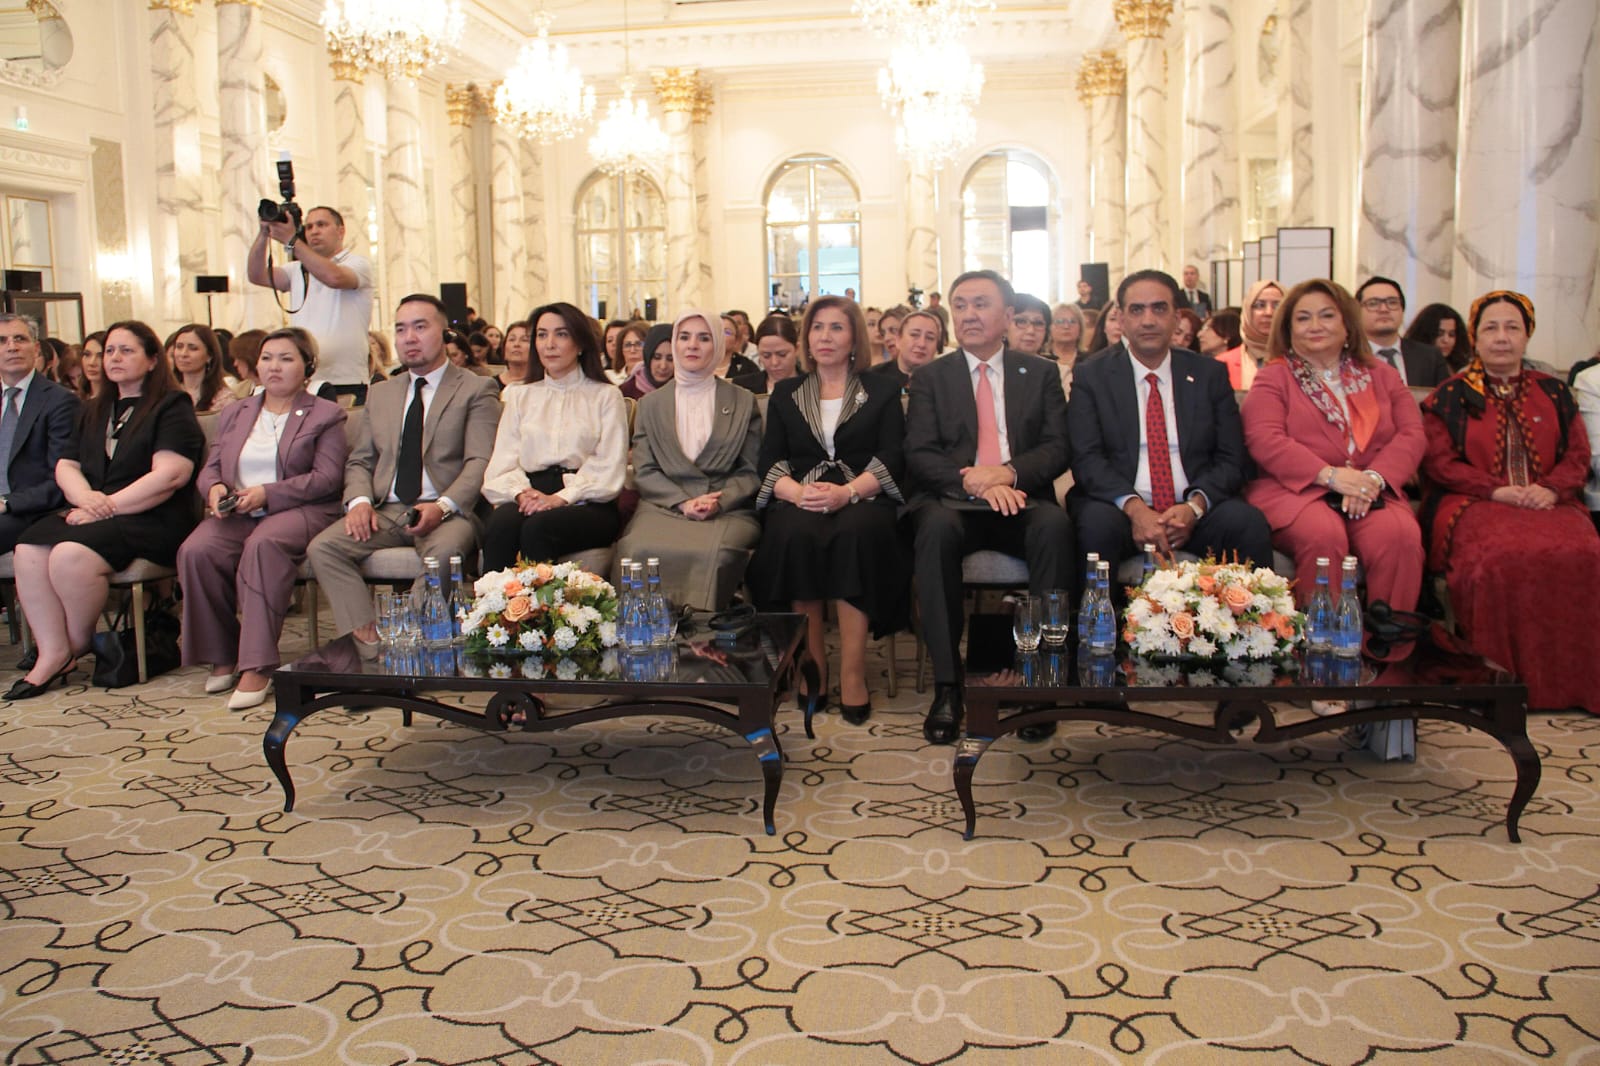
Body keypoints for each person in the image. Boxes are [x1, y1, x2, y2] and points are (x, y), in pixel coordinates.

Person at [905, 269, 1074, 744]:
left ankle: (1041, 684)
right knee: (934, 530)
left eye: (980, 304)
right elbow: (919, 452)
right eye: (960, 305)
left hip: (1020, 498)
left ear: (1008, 315)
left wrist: (1008, 474)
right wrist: (975, 482)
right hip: (954, 502)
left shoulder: (1039, 373)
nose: (968, 314)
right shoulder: (931, 377)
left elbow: (1058, 447)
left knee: (1055, 527)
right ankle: (948, 685)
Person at [1420, 290, 1600, 712]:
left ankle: (1578, 685)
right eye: (1491, 328)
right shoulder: (1449, 396)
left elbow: (1578, 456)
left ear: (1527, 335)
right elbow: (1439, 462)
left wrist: (1551, 488)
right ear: (1475, 337)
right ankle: (1498, 686)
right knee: (1498, 558)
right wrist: (1494, 489)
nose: (1501, 337)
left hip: (1549, 502)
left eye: (1512, 327)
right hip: (1473, 503)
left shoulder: (1554, 392)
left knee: (1587, 552)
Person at [10, 320, 204, 699]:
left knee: (69, 555)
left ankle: (75, 642)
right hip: (96, 510)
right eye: (109, 351)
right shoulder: (94, 408)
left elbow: (171, 475)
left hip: (153, 516)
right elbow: (66, 465)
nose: (114, 358)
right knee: (28, 548)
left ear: (152, 360)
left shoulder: (171, 406)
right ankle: (52, 650)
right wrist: (86, 499)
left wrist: (107, 506)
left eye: (126, 351)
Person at [306, 294, 501, 649]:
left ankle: (408, 645)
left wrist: (442, 507)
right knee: (323, 548)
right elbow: (361, 460)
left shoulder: (475, 388)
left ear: (444, 333)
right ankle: (369, 643)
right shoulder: (381, 393)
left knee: (443, 553)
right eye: (400, 329)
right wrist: (360, 502)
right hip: (387, 509)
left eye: (420, 327)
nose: (409, 337)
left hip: (448, 511)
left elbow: (479, 462)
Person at [749, 296, 908, 724]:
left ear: (854, 337)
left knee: (857, 534)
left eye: (836, 327)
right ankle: (812, 666)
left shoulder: (882, 391)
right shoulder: (786, 393)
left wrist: (848, 493)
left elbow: (893, 456)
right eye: (817, 328)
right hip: (802, 494)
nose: (825, 337)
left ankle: (853, 671)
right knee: (795, 534)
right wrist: (797, 494)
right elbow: (770, 460)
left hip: (862, 494)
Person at [1068, 271, 1272, 593]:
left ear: (1177, 317)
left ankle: (1258, 622)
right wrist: (1136, 510)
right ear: (1120, 318)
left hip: (1196, 508)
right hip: (1120, 508)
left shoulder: (1209, 374)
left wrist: (1194, 507)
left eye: (1159, 308)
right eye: (1137, 310)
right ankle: (1098, 622)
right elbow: (1086, 459)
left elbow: (1232, 458)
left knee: (1247, 523)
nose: (1148, 320)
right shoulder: (1092, 376)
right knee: (1095, 526)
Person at [177, 328, 348, 709]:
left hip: (300, 509)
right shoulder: (236, 412)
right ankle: (223, 654)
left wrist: (267, 493)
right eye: (267, 358)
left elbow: (327, 478)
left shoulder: (325, 414)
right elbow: (212, 466)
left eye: (286, 359)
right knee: (197, 550)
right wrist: (214, 488)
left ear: (307, 366)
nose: (274, 367)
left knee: (262, 545)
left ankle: (257, 664)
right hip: (238, 509)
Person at [1240, 279, 1427, 628]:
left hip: (1371, 490)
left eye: (1327, 315)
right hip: (1299, 492)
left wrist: (1371, 480)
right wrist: (1333, 477)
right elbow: (1265, 438)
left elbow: (1412, 435)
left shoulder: (1382, 375)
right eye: (1303, 318)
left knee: (1399, 536)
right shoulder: (1274, 377)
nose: (1315, 325)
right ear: (1288, 328)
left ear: (1347, 324)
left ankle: (1387, 645)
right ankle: (1320, 641)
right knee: (1323, 535)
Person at [619, 309, 762, 611]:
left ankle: (702, 634)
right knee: (636, 548)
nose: (692, 345)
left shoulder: (742, 400)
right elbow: (645, 470)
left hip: (725, 508)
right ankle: (646, 634)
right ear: (674, 344)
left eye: (704, 338)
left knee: (719, 552)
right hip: (664, 505)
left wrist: (719, 502)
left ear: (718, 346)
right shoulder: (650, 404)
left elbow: (750, 471)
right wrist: (682, 502)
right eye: (684, 337)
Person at [480, 301, 627, 572]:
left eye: (561, 334)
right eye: (541, 335)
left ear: (580, 343)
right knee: (501, 524)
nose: (549, 344)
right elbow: (503, 460)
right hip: (530, 489)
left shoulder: (606, 396)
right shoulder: (520, 395)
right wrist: (521, 494)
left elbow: (608, 465)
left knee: (538, 527)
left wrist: (560, 498)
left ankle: (542, 601)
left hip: (588, 500)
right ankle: (495, 600)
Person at [247, 205, 375, 405]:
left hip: (345, 379)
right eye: (308, 227)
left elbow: (334, 277)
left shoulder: (358, 264)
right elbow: (256, 275)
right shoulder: (296, 269)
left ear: (340, 231)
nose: (314, 231)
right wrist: (264, 234)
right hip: (304, 380)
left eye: (321, 225)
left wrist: (292, 241)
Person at [0, 314, 79, 556]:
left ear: (35, 349)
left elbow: (59, 479)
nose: (11, 347)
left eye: (19, 339)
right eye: (2, 341)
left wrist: (6, 503)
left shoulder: (60, 401)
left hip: (31, 510)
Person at [1355, 276, 1451, 389]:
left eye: (1392, 303)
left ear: (1402, 309)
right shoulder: (1347, 357)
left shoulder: (1430, 357)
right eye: (1373, 304)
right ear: (1357, 311)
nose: (1384, 309)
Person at [1221, 280, 1283, 390]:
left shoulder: (1304, 363)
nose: (1269, 313)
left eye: (1277, 306)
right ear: (1247, 311)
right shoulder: (1223, 363)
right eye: (1260, 305)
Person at [169, 323, 237, 415]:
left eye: (193, 348)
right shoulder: (166, 393)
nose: (183, 354)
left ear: (209, 355)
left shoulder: (224, 399)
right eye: (179, 347)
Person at [868, 308, 943, 391]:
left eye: (930, 338)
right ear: (899, 339)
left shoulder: (946, 379)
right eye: (883, 333)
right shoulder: (874, 377)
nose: (922, 344)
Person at [734, 314, 804, 395]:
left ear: (797, 349)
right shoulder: (741, 387)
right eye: (766, 356)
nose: (774, 362)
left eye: (782, 354)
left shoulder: (813, 385)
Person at [1403, 302, 1471, 373]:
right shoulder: (1409, 366)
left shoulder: (1463, 369)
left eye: (1451, 335)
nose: (1446, 340)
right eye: (1439, 334)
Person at [620, 322, 673, 401]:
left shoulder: (686, 390)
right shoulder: (626, 391)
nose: (663, 366)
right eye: (657, 357)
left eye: (670, 359)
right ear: (648, 357)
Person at [227, 329, 267, 398]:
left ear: (250, 358)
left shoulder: (280, 391)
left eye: (239, 358)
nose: (235, 364)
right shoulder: (236, 392)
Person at [493, 320, 531, 393]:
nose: (516, 344)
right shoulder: (491, 385)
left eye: (524, 340)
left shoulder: (542, 385)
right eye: (512, 339)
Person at [79, 330, 105, 399]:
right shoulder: (74, 400)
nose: (92, 363)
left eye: (100, 356)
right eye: (87, 354)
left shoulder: (118, 402)